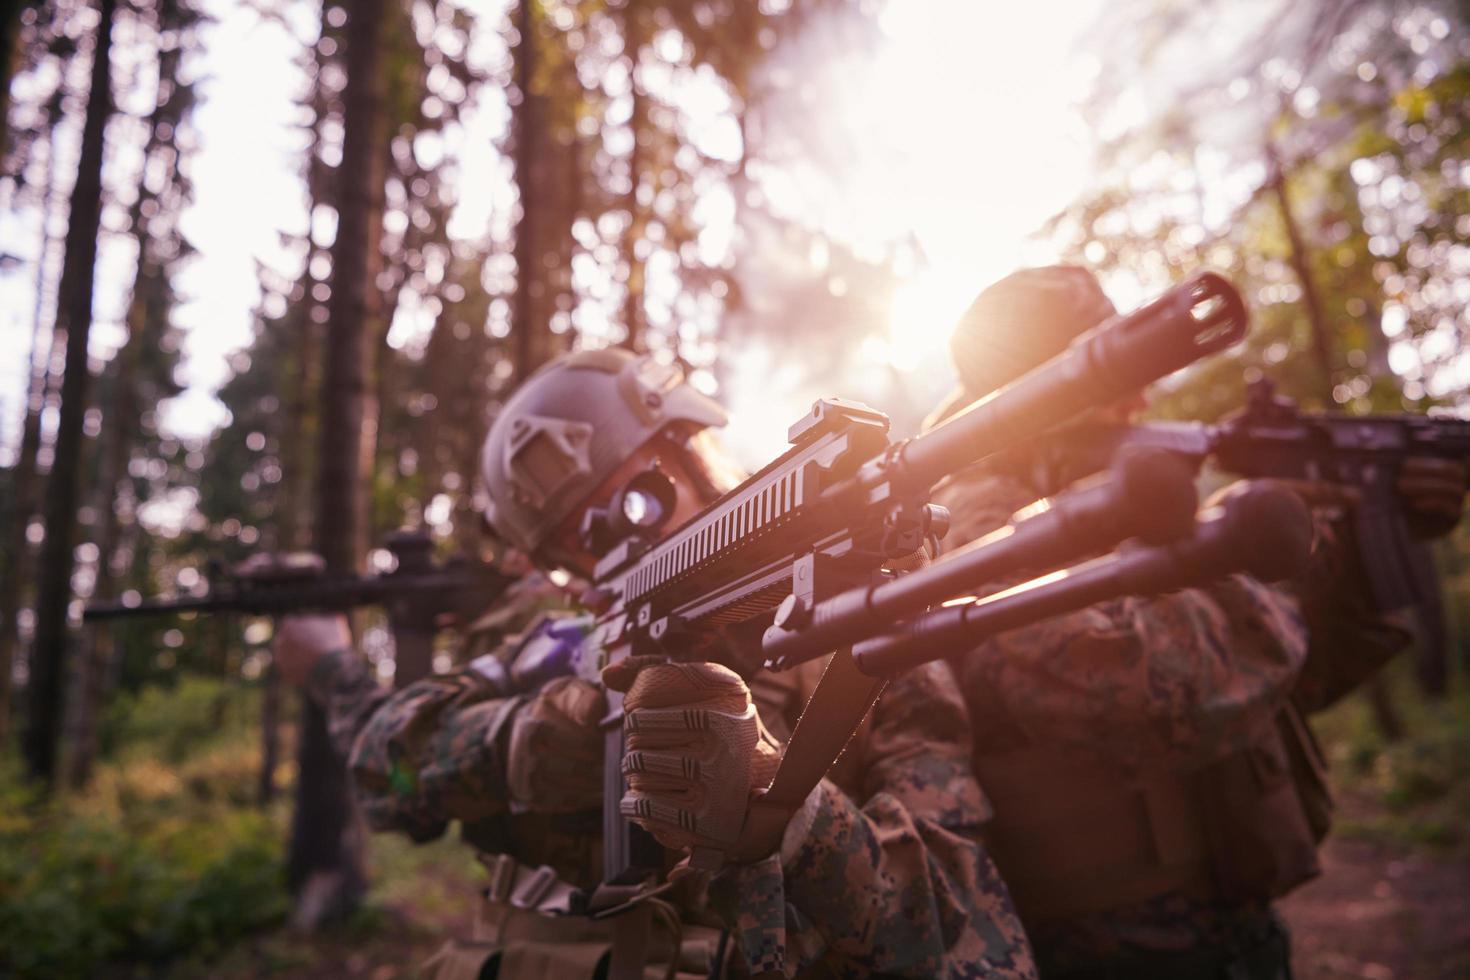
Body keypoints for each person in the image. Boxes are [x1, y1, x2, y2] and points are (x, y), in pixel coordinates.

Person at [277, 348, 1037, 979]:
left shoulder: (868, 634)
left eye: (644, 493)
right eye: (583, 538)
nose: (623, 538)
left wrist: (789, 816)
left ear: (698, 452)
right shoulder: (553, 644)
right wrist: (516, 748)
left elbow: (974, 936)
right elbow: (385, 766)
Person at [923, 266, 1466, 979]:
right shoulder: (978, 523)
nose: (1143, 399)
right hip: (1113, 948)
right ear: (1042, 393)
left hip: (1223, 924)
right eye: (1118, 379)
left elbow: (1277, 689)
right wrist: (1265, 538)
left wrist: (1360, 542)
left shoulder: (1097, 499)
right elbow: (1153, 686)